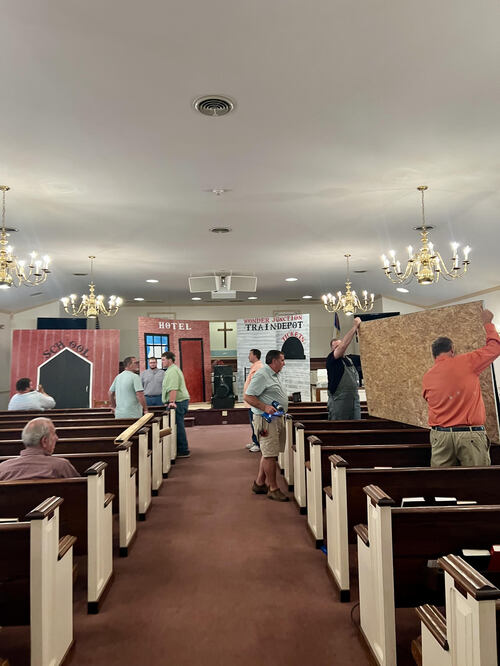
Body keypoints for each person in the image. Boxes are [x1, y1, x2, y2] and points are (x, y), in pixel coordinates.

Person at [422, 308, 500, 467]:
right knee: (477, 480)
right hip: (469, 437)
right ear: (452, 350)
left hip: (440, 437)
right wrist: (488, 323)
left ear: (433, 354)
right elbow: (495, 348)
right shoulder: (466, 362)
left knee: (442, 481)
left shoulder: (427, 377)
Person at [244, 349, 289, 502]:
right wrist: (264, 407)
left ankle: (259, 483)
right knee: (270, 454)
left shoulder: (274, 375)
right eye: (282, 360)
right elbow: (248, 396)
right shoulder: (263, 375)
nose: (284, 363)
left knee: (269, 452)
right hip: (266, 420)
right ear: (274, 361)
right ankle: (273, 488)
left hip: (275, 418)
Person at [0, 417, 79, 480]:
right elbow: (80, 489)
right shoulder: (61, 466)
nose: (57, 438)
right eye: (54, 434)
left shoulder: (3, 469)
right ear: (44, 441)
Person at [326, 317, 361, 420]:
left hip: (354, 401)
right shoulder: (331, 359)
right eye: (336, 347)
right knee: (339, 427)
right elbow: (343, 346)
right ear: (332, 349)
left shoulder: (350, 359)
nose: (339, 348)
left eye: (339, 345)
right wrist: (354, 327)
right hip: (339, 402)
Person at [161, 351, 191, 458]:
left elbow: (173, 388)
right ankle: (179, 448)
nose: (162, 362)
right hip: (179, 401)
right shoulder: (171, 370)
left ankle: (183, 450)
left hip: (178, 402)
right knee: (177, 425)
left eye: (163, 360)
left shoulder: (172, 371)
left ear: (170, 360)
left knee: (178, 426)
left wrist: (171, 402)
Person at [243, 349, 264, 453]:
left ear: (255, 356)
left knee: (256, 423)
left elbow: (256, 385)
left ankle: (258, 444)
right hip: (250, 401)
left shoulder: (259, 367)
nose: (248, 356)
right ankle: (255, 440)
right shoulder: (255, 366)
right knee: (253, 422)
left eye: (250, 354)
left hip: (254, 401)